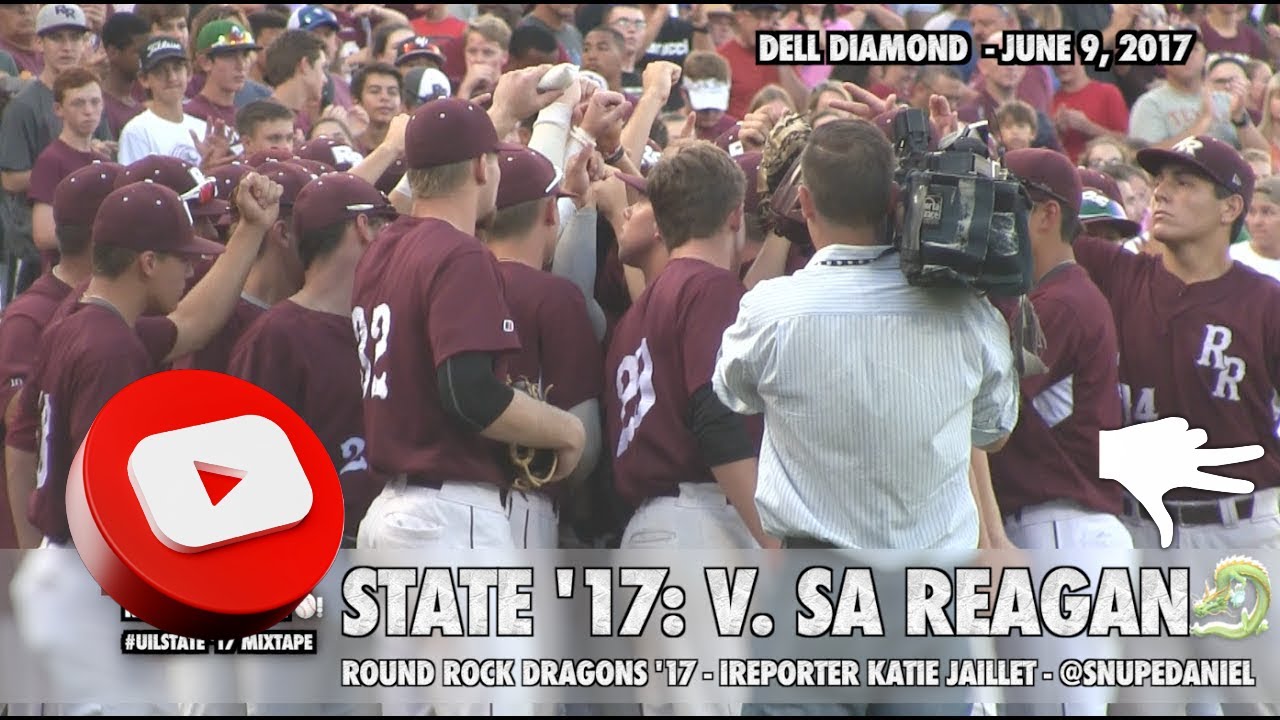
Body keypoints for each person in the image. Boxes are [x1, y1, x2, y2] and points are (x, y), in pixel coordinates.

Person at [713, 117, 1018, 717]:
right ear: (894, 199)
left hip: (813, 594)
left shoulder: (771, 309)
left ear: (803, 203)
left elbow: (731, 393)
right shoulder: (966, 313)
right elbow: (994, 430)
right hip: (930, 598)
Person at [7, 173, 280, 715]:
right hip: (87, 583)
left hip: (56, 572)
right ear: (147, 262)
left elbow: (191, 323)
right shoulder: (112, 352)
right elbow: (107, 499)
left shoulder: (80, 324)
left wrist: (250, 232)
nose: (191, 267)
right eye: (181, 258)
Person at [351, 95, 585, 717]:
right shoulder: (458, 253)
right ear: (483, 168)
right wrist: (566, 430)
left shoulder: (383, 248)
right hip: (451, 522)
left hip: (391, 519)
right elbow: (471, 393)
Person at [988, 149, 1135, 716]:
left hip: (1062, 537)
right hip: (1044, 535)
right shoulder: (1043, 297)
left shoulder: (1064, 303)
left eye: (1009, 207)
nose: (995, 221)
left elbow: (986, 409)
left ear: (1047, 215)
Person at [479, 143, 604, 550]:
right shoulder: (554, 296)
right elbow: (584, 447)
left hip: (438, 504)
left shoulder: (446, 281)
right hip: (521, 508)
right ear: (551, 213)